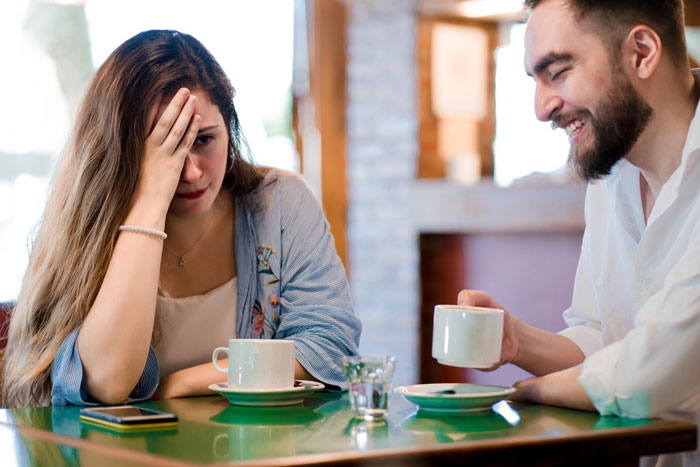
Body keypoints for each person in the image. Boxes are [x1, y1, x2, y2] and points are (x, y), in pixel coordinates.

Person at [1, 29, 361, 408]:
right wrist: (151, 197)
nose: (189, 173)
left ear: (230, 130)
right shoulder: (87, 223)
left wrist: (181, 383)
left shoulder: (282, 203)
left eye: (204, 139)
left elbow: (330, 346)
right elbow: (106, 383)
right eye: (164, 146)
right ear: (122, 149)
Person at [459, 0, 700, 433]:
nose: (541, 108)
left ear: (642, 52)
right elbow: (605, 343)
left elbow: (644, 379)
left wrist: (527, 391)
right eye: (535, 80)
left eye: (559, 72)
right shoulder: (610, 179)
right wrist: (515, 339)